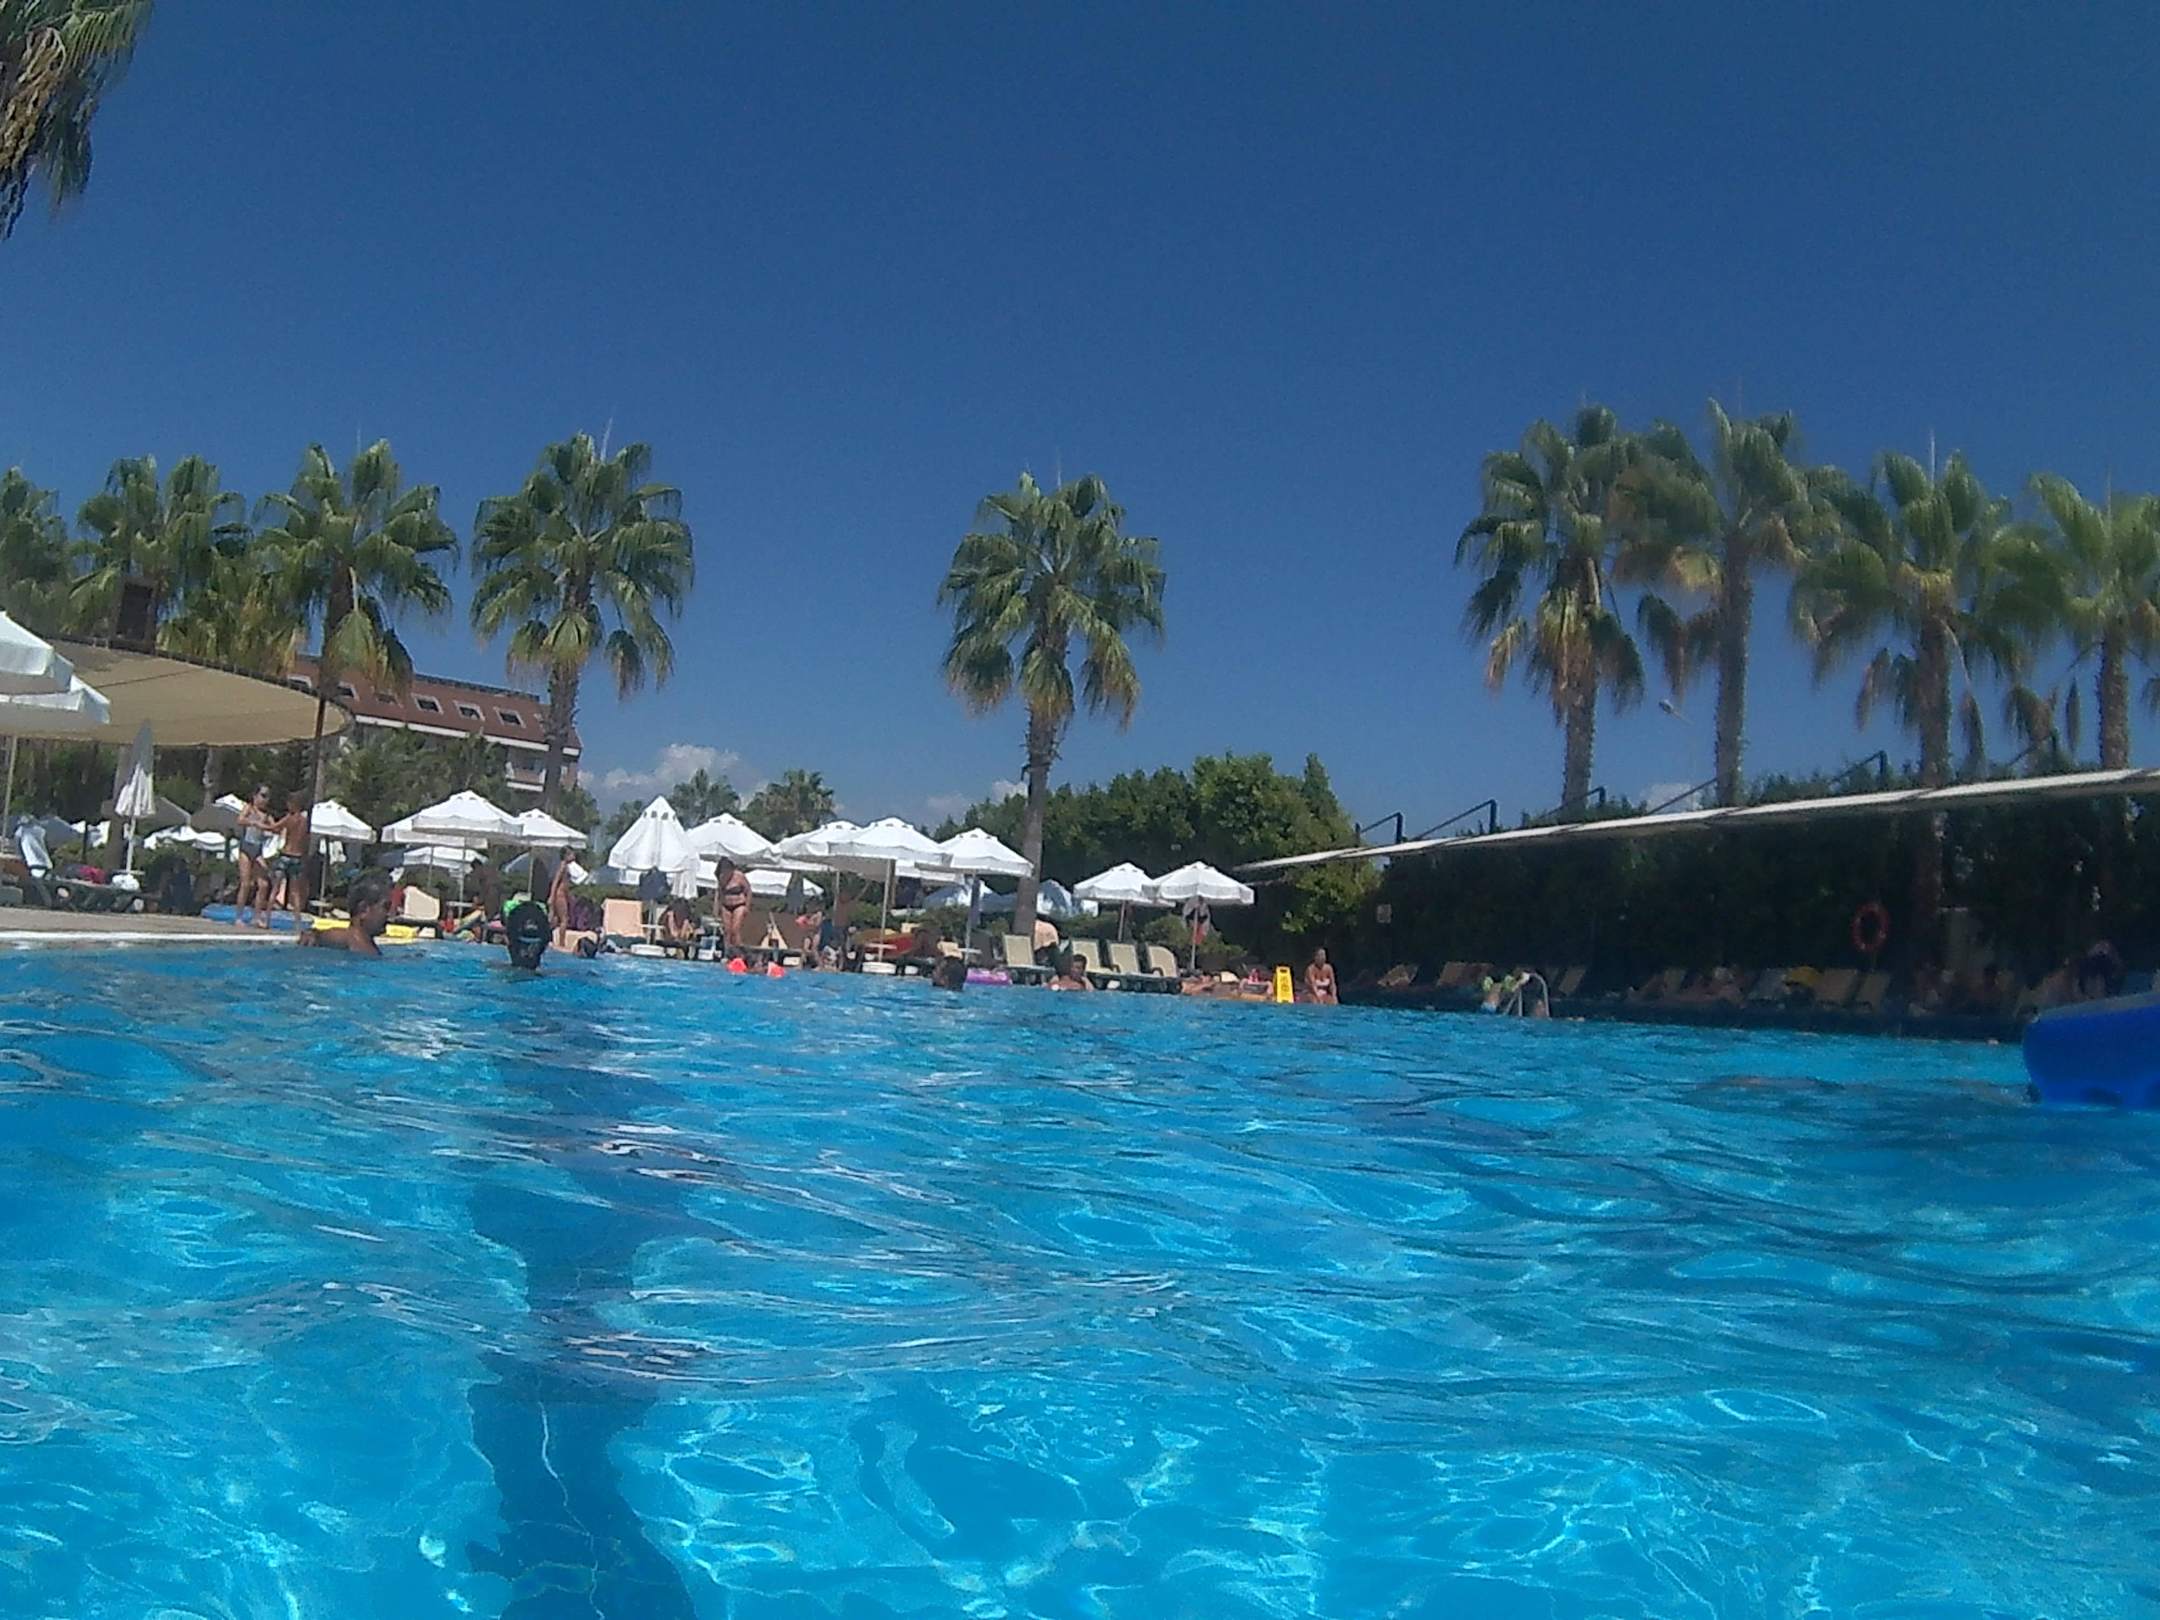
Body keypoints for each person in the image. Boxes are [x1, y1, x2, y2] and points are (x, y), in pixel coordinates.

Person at [298, 872, 392, 956]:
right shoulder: (349, 938)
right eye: (386, 907)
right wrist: (313, 935)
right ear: (364, 909)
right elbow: (323, 936)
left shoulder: (364, 944)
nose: (390, 914)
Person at [268, 793, 313, 927]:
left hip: (286, 854)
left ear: (293, 804)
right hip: (297, 857)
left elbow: (275, 828)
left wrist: (265, 822)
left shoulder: (289, 818)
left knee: (275, 889)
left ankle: (267, 920)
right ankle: (297, 923)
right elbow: (305, 841)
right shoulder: (305, 821)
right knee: (295, 892)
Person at [234, 784, 275, 928]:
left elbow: (274, 827)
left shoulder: (267, 815)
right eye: (263, 796)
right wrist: (254, 823)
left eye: (267, 797)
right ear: (255, 796)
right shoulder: (249, 808)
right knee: (245, 884)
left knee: (264, 884)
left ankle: (256, 917)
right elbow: (240, 820)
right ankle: (238, 917)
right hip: (246, 847)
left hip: (258, 850)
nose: (265, 800)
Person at [715, 857, 752, 953]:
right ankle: (727, 952)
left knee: (735, 929)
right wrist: (718, 907)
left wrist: (747, 906)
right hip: (726, 905)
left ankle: (739, 952)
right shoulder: (721, 877)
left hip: (739, 904)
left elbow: (748, 891)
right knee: (727, 930)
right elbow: (719, 893)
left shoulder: (739, 876)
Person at [546, 848, 575, 948]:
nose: (573, 856)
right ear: (566, 855)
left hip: (563, 894)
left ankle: (551, 939)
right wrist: (551, 896)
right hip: (560, 895)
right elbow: (555, 882)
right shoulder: (562, 866)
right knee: (564, 919)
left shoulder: (566, 866)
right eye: (571, 854)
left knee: (556, 920)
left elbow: (565, 884)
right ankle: (561, 943)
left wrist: (569, 896)